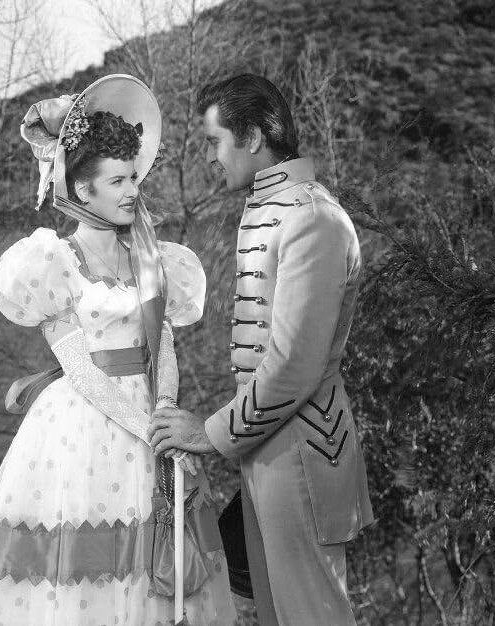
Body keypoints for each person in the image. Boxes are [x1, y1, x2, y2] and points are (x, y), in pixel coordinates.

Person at [0, 74, 237, 626]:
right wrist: (149, 428)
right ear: (81, 189)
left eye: (133, 177)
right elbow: (78, 365)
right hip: (82, 431)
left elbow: (163, 347)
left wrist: (167, 417)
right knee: (83, 572)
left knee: (157, 567)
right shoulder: (52, 263)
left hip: (150, 421)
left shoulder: (156, 259)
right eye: (117, 180)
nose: (132, 190)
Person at [148, 74, 375, 626]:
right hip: (268, 448)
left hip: (302, 450)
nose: (209, 157)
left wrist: (208, 433)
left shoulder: (313, 219)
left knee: (314, 617)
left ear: (251, 137)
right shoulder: (274, 208)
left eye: (214, 141)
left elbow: (294, 368)